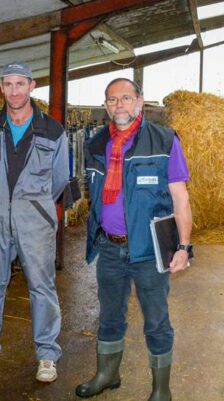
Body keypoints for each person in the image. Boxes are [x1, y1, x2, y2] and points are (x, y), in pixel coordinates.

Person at [76, 78, 192, 401]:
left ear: (140, 102)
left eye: (126, 98)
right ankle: (107, 374)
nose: (119, 105)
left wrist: (183, 247)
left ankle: (161, 389)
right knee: (110, 316)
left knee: (156, 320)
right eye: (112, 100)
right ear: (105, 107)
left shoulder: (164, 141)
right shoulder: (97, 144)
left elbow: (180, 199)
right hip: (110, 248)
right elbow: (94, 197)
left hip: (149, 250)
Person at [0, 62, 69, 383]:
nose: (13, 91)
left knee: (42, 287)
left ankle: (47, 355)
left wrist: (33, 204)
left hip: (35, 220)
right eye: (7, 84)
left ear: (31, 86)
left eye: (19, 84)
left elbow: (60, 178)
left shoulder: (52, 130)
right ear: (1, 88)